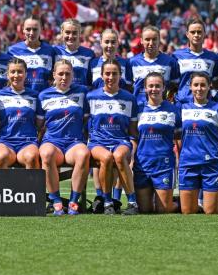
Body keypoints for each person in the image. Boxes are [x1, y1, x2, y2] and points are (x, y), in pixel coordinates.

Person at [38, 60, 90, 216]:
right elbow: (39, 124)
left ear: (73, 75)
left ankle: (74, 202)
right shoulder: (44, 95)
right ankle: (56, 202)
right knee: (46, 154)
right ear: (54, 74)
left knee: (84, 154)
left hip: (74, 143)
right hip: (53, 142)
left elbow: (87, 119)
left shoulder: (82, 92)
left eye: (68, 74)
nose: (64, 77)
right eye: (60, 73)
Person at [87, 59, 139, 215]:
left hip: (121, 141)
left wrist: (133, 151)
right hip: (97, 142)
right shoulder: (91, 97)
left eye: (114, 73)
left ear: (120, 75)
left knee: (118, 156)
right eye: (107, 73)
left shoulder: (129, 98)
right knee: (107, 157)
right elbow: (85, 125)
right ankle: (107, 202)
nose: (110, 77)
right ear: (102, 75)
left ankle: (132, 203)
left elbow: (133, 130)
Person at [178, 72, 218, 214]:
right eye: (196, 85)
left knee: (211, 211)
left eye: (203, 85)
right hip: (188, 164)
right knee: (187, 211)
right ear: (190, 87)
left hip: (211, 164)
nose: (199, 88)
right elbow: (176, 136)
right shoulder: (182, 109)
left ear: (209, 86)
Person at [133, 72, 180, 213]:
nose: (154, 89)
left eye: (157, 86)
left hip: (164, 164)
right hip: (142, 164)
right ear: (145, 88)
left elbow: (179, 136)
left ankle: (182, 203)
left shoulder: (173, 110)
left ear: (163, 88)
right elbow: (133, 136)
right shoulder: (138, 110)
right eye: (151, 86)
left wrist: (179, 157)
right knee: (145, 210)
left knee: (163, 210)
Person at [0, 58, 42, 169]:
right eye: (13, 72)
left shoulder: (35, 96)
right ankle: (2, 187)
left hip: (27, 142)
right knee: (1, 157)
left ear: (26, 74)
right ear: (7, 74)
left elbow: (39, 125)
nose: (16, 75)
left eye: (20, 72)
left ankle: (30, 187)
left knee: (31, 157)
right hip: (5, 141)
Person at [173, 18, 218, 106]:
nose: (196, 35)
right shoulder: (177, 56)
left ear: (204, 34)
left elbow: (216, 84)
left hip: (205, 105)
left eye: (199, 32)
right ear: (187, 34)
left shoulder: (213, 57)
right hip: (182, 104)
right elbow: (173, 84)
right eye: (193, 32)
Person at [130, 25, 180, 105]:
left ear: (159, 40)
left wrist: (168, 102)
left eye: (154, 39)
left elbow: (175, 87)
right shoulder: (132, 62)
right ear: (141, 41)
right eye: (147, 39)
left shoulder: (170, 62)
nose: (151, 43)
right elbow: (128, 87)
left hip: (162, 110)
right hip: (139, 109)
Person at [8, 17, 55, 92]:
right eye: (28, 29)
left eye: (35, 29)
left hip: (43, 99)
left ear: (41, 29)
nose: (31, 33)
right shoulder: (12, 51)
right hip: (21, 98)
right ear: (23, 29)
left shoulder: (50, 51)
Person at [53, 19, 95, 89]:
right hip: (60, 97)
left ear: (79, 34)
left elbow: (91, 81)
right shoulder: (55, 51)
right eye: (67, 32)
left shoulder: (89, 54)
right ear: (62, 33)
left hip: (81, 96)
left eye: (74, 33)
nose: (71, 36)